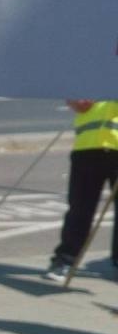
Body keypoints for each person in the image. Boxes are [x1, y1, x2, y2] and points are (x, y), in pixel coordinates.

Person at [45, 99, 118, 282]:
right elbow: (73, 96)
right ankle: (65, 260)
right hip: (87, 147)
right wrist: (76, 100)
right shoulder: (90, 78)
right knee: (80, 209)